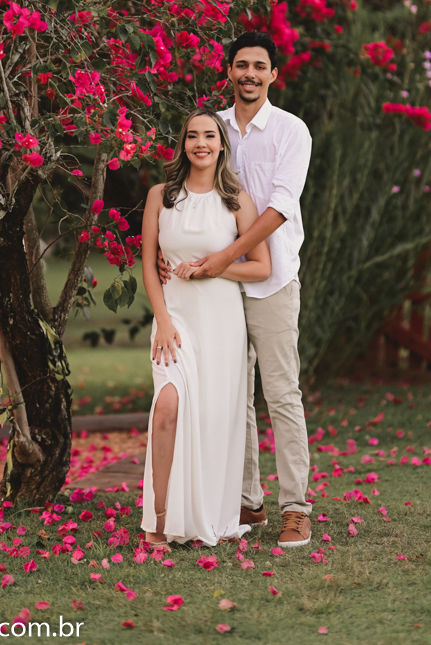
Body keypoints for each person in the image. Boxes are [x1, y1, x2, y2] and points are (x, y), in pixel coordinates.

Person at [161, 31, 313, 548]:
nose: (250, 73)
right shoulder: (214, 127)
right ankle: (247, 499)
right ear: (228, 71)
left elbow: (280, 206)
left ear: (273, 75)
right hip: (215, 291)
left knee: (281, 393)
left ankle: (296, 507)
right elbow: (189, 195)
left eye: (259, 66)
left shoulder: (291, 131)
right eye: (241, 65)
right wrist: (169, 252)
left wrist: (226, 257)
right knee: (233, 396)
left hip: (271, 280)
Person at [140, 107, 271, 546]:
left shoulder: (237, 202)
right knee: (167, 407)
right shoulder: (161, 196)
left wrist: (216, 267)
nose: (201, 143)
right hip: (174, 320)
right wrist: (162, 322)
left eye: (209, 136)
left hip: (221, 324)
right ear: (183, 144)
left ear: (221, 145)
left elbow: (261, 267)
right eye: (193, 135)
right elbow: (149, 264)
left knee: (213, 420)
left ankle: (204, 519)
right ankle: (159, 519)